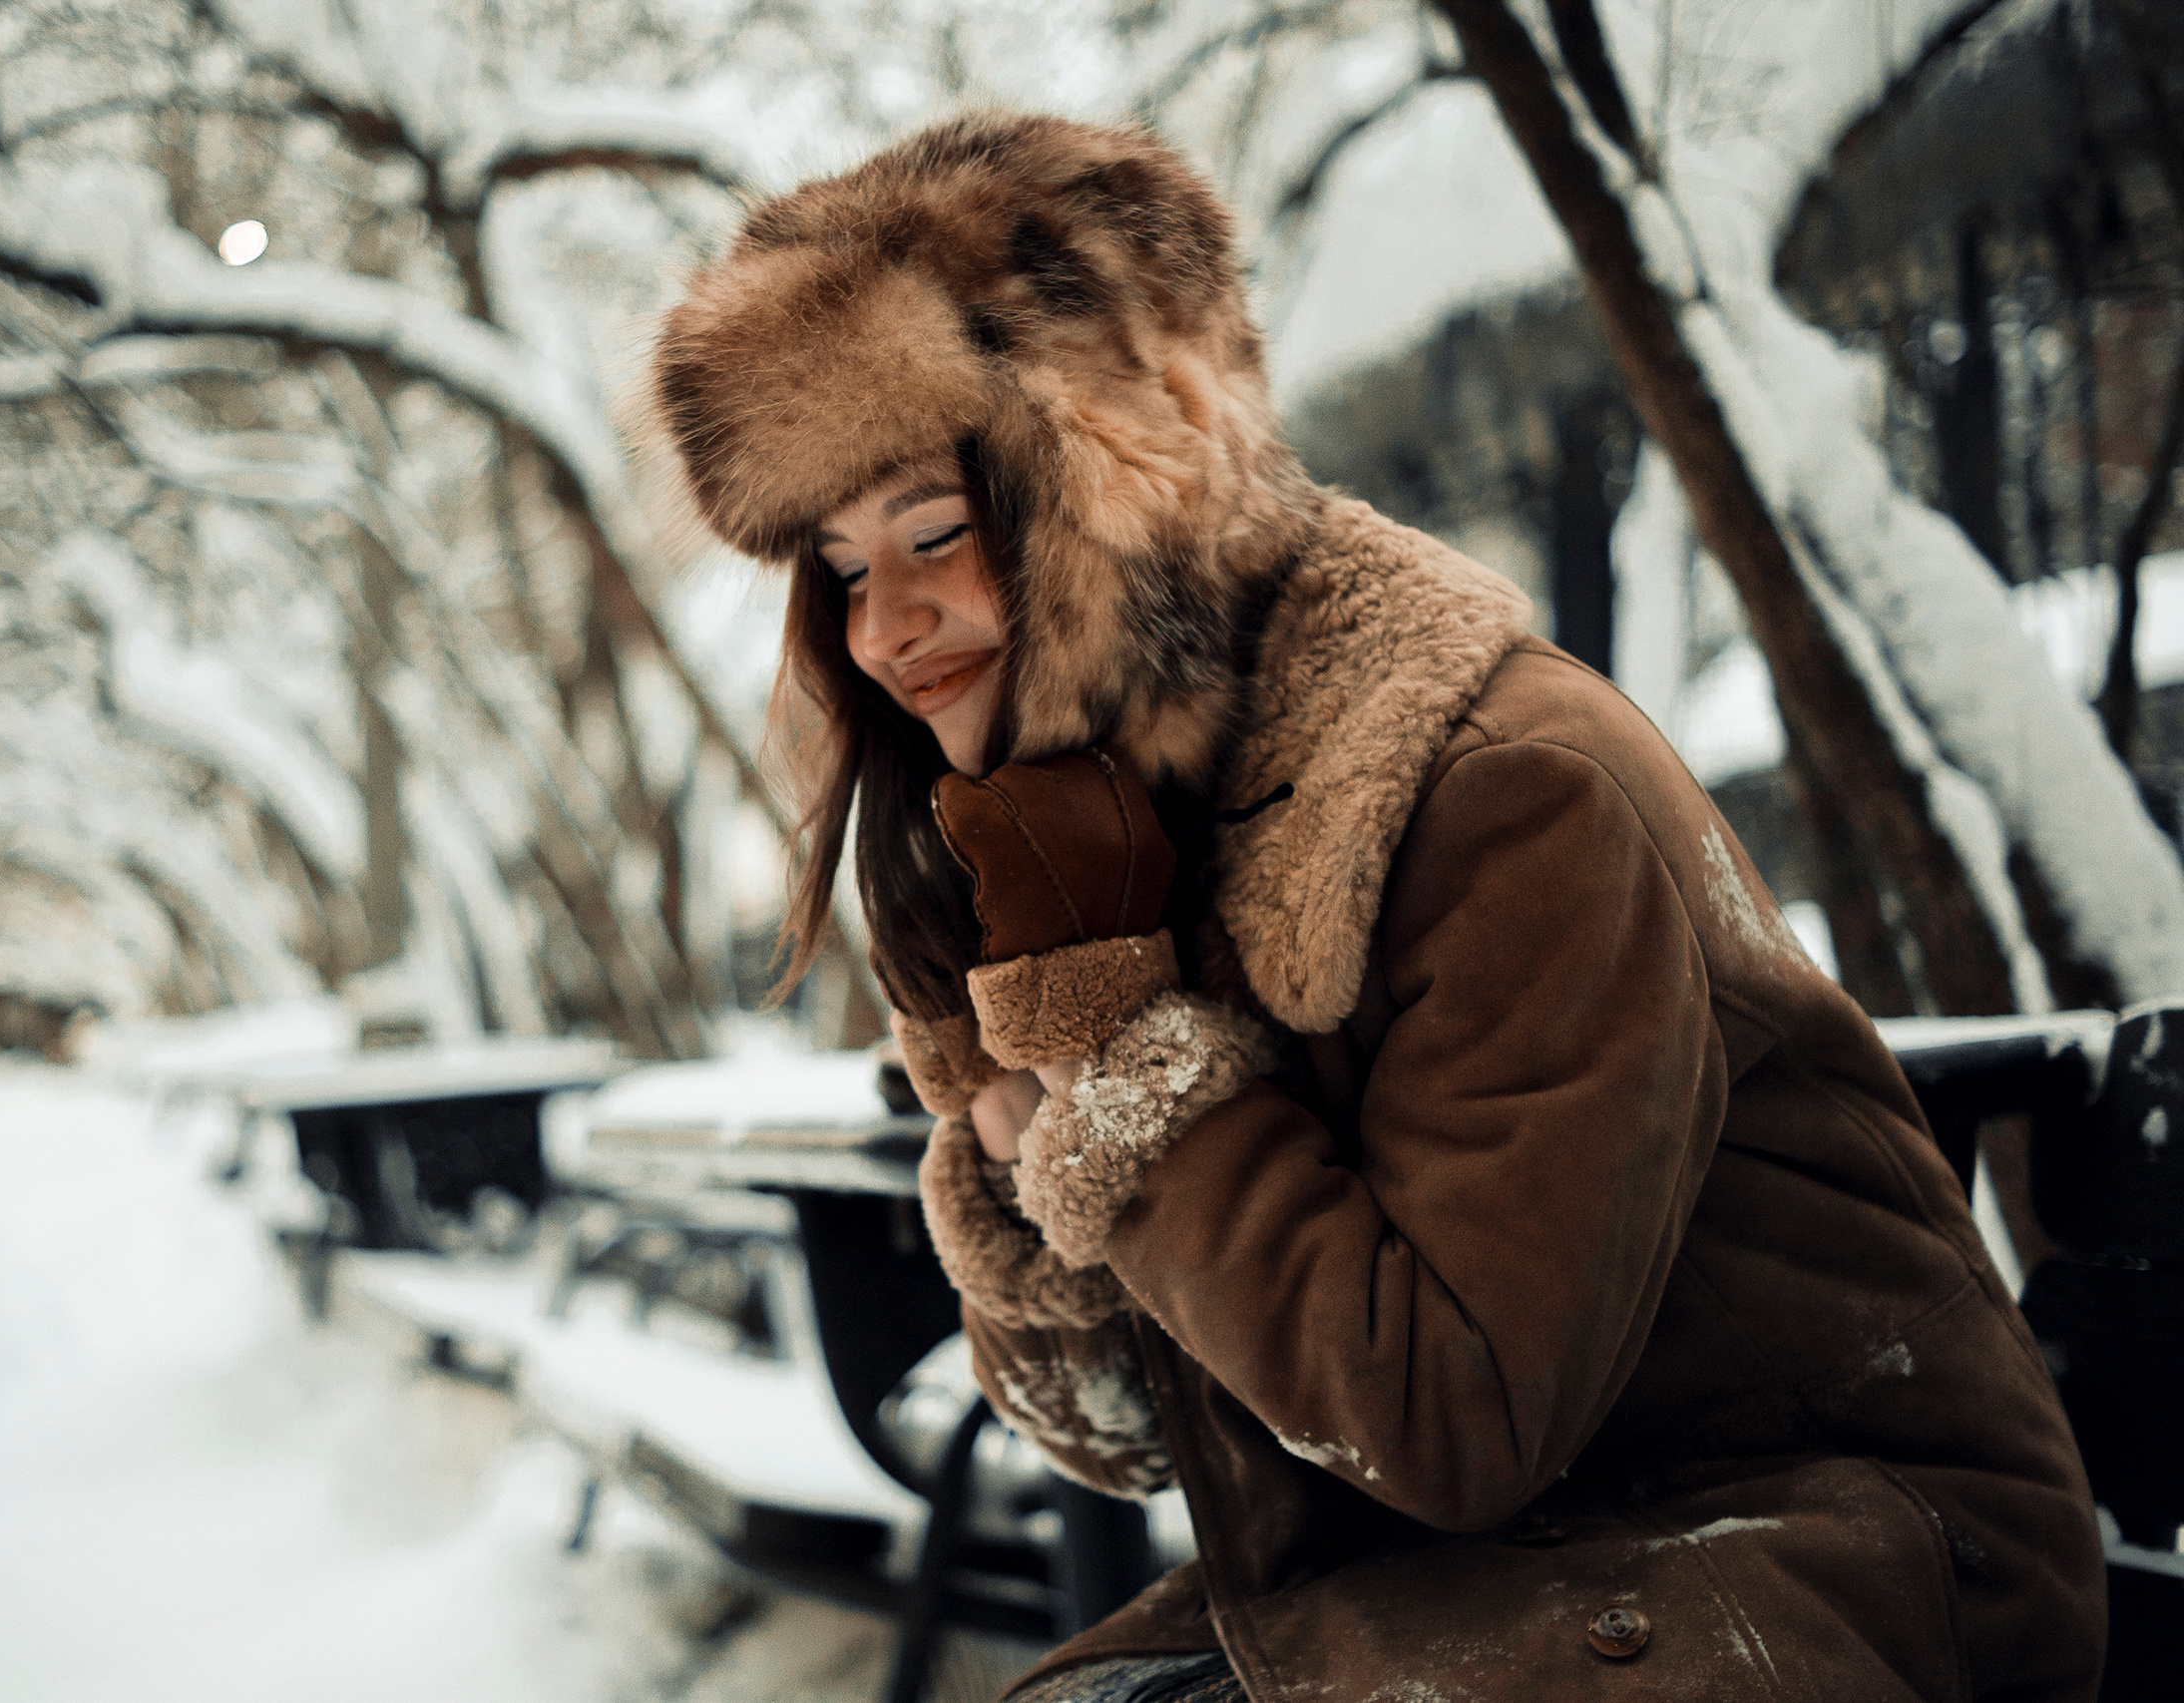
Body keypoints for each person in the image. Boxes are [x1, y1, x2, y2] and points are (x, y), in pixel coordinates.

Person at [648, 114, 2102, 1703]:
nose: (888, 628)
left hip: (1830, 1564)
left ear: (1121, 499)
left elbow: (1445, 1418)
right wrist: (1024, 1092)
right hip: (1465, 1583)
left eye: (937, 535)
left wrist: (1125, 1065)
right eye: (846, 571)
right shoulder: (1103, 829)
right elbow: (1120, 1442)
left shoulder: (1499, 790)